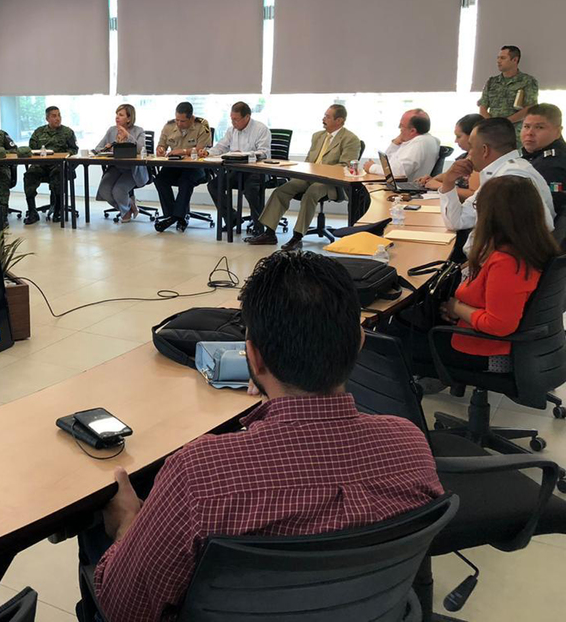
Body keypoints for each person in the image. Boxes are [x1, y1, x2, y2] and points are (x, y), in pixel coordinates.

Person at [82, 252, 443, 622]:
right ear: (359, 342)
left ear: (252, 357)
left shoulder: (199, 476)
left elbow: (123, 609)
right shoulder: (410, 447)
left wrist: (127, 524)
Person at [388, 177, 560, 378]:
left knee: (386, 339)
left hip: (486, 349)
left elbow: (499, 325)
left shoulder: (507, 262)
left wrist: (456, 307)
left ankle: (397, 394)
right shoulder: (531, 247)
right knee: (401, 322)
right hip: (487, 338)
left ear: (492, 214)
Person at [248, 104, 361, 250]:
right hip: (310, 177)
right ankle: (269, 233)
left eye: (327, 117)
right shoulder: (318, 136)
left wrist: (320, 171)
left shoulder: (350, 139)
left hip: (331, 183)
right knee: (281, 191)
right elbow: (309, 160)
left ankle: (297, 236)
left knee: (311, 193)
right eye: (324, 115)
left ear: (339, 120)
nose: (323, 119)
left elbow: (345, 167)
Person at [440, 117, 554, 253]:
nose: (469, 154)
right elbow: (457, 221)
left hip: (498, 262)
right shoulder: (499, 172)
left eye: (471, 147)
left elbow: (516, 245)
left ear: (485, 150)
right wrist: (448, 182)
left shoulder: (511, 179)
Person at [205, 101, 271, 227]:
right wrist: (208, 153)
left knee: (250, 189)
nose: (233, 123)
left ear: (247, 117)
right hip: (236, 171)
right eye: (231, 119)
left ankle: (260, 226)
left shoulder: (261, 129)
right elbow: (221, 146)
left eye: (236, 119)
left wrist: (245, 154)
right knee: (214, 186)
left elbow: (264, 152)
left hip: (257, 171)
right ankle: (232, 218)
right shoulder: (232, 130)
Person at [152, 101, 212, 233]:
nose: (179, 123)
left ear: (191, 118)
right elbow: (161, 145)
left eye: (183, 121)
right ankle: (172, 215)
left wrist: (183, 151)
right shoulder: (169, 126)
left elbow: (202, 150)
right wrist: (160, 149)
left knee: (185, 181)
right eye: (177, 120)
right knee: (160, 180)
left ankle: (176, 217)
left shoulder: (202, 126)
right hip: (174, 166)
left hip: (196, 167)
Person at [24, 106, 78, 225]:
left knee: (58, 174)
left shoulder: (67, 132)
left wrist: (63, 155)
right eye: (54, 116)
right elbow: (31, 149)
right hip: (41, 165)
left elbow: (74, 150)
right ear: (47, 118)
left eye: (59, 115)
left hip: (59, 165)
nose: (57, 118)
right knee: (29, 175)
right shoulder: (39, 132)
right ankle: (32, 212)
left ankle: (58, 210)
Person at [94, 104, 148, 222]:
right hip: (116, 167)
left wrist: (128, 136)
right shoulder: (112, 130)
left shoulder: (138, 131)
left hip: (133, 169)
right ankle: (129, 206)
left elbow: (141, 150)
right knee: (104, 190)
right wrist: (107, 148)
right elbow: (98, 148)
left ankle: (126, 212)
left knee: (118, 190)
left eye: (121, 115)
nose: (117, 117)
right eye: (116, 114)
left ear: (129, 118)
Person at [478, 45, 539, 144]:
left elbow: (530, 108)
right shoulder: (492, 82)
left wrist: (505, 123)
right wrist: (492, 125)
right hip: (493, 134)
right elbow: (483, 106)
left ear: (515, 60)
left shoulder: (527, 81)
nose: (498, 61)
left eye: (503, 58)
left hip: (514, 134)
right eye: (498, 58)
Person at [418, 113, 483, 201]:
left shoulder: (480, 161)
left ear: (472, 136)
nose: (455, 141)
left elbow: (474, 195)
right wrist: (430, 180)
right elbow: (449, 175)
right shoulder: (464, 157)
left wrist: (440, 186)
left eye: (459, 136)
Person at [362, 109, 440, 182]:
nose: (399, 128)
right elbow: (387, 162)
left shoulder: (420, 143)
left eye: (401, 125)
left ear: (412, 131)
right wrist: (395, 144)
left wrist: (372, 168)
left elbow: (398, 173)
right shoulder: (419, 140)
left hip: (404, 188)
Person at [519, 103, 566, 221]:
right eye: (526, 126)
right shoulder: (532, 155)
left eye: (539, 127)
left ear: (558, 132)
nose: (530, 133)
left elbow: (552, 209)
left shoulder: (554, 164)